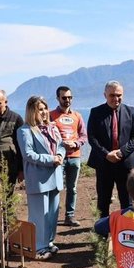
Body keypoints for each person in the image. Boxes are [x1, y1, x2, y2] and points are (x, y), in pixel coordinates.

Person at [17, 96, 65, 260]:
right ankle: (38, 247)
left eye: (45, 108)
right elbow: (28, 154)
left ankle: (49, 242)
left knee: (52, 214)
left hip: (55, 176)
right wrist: (51, 159)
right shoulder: (24, 131)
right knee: (39, 214)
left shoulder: (53, 127)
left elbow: (61, 146)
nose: (44, 112)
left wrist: (59, 155)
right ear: (32, 112)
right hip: (38, 179)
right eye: (40, 109)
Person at [87, 80, 134, 217]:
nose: (116, 98)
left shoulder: (131, 111)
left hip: (126, 164)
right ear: (105, 95)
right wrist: (106, 154)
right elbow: (92, 138)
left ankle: (126, 233)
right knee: (103, 201)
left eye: (119, 95)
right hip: (104, 164)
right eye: (112, 95)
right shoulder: (96, 112)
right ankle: (102, 235)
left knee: (127, 201)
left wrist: (122, 152)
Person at [50, 86, 88, 227]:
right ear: (58, 98)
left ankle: (69, 216)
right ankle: (52, 216)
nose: (67, 100)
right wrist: (59, 145)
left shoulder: (77, 116)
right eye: (64, 97)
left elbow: (84, 135)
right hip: (58, 158)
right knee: (56, 187)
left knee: (72, 188)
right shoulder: (50, 115)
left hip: (74, 157)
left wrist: (76, 143)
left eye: (69, 97)